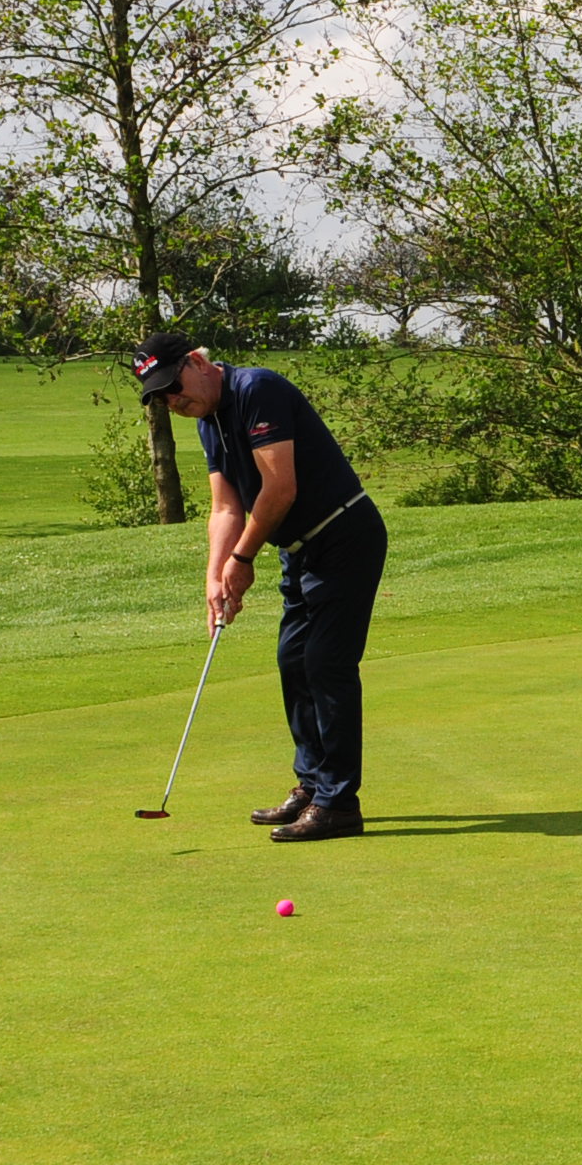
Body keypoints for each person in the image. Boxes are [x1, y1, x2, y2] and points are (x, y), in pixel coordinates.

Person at [133, 334, 389, 840]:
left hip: (344, 535)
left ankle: (339, 803)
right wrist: (215, 575)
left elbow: (280, 488)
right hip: (300, 551)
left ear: (197, 362)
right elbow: (226, 507)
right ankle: (313, 786)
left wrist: (243, 558)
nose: (173, 401)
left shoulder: (257, 390)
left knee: (326, 664)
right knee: (293, 661)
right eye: (161, 398)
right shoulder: (208, 422)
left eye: (173, 386)